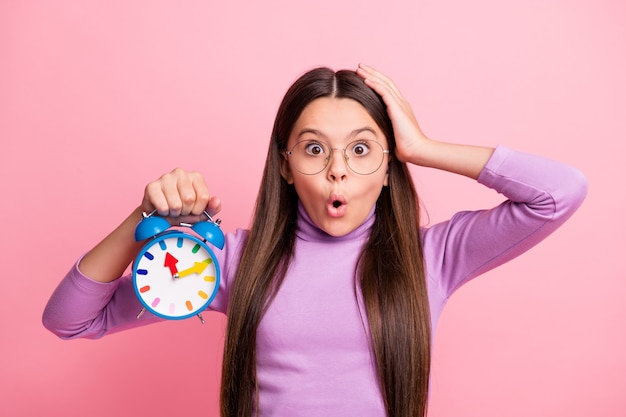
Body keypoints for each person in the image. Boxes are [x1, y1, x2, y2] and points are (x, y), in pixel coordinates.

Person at [43, 64, 588, 417]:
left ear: (388, 167)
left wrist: (422, 147)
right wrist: (144, 212)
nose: (336, 173)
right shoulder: (231, 261)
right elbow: (72, 320)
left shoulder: (433, 258)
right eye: (313, 149)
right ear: (285, 165)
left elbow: (560, 192)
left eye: (359, 150)